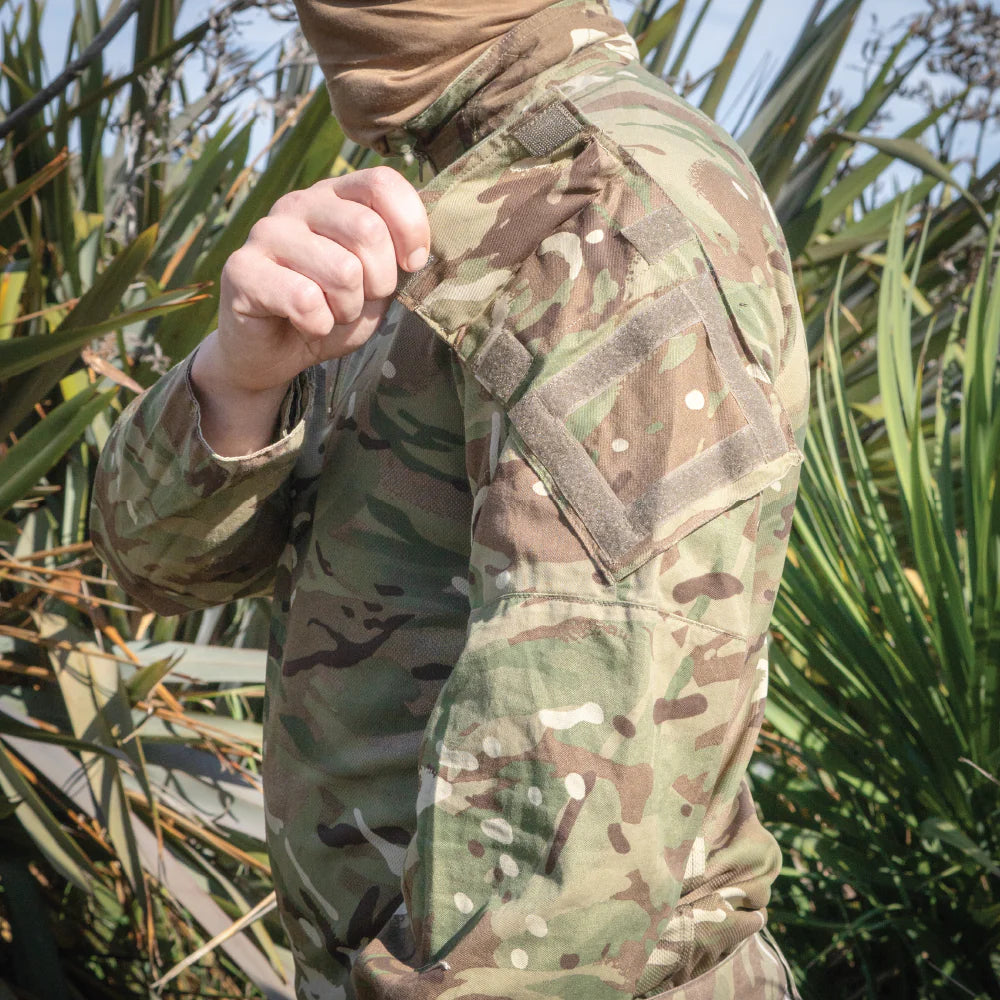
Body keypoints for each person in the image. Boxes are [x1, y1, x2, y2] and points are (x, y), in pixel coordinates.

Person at [92, 0, 809, 997]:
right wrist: (240, 380)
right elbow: (156, 570)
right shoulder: (438, 189)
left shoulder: (596, 211)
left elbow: (560, 888)